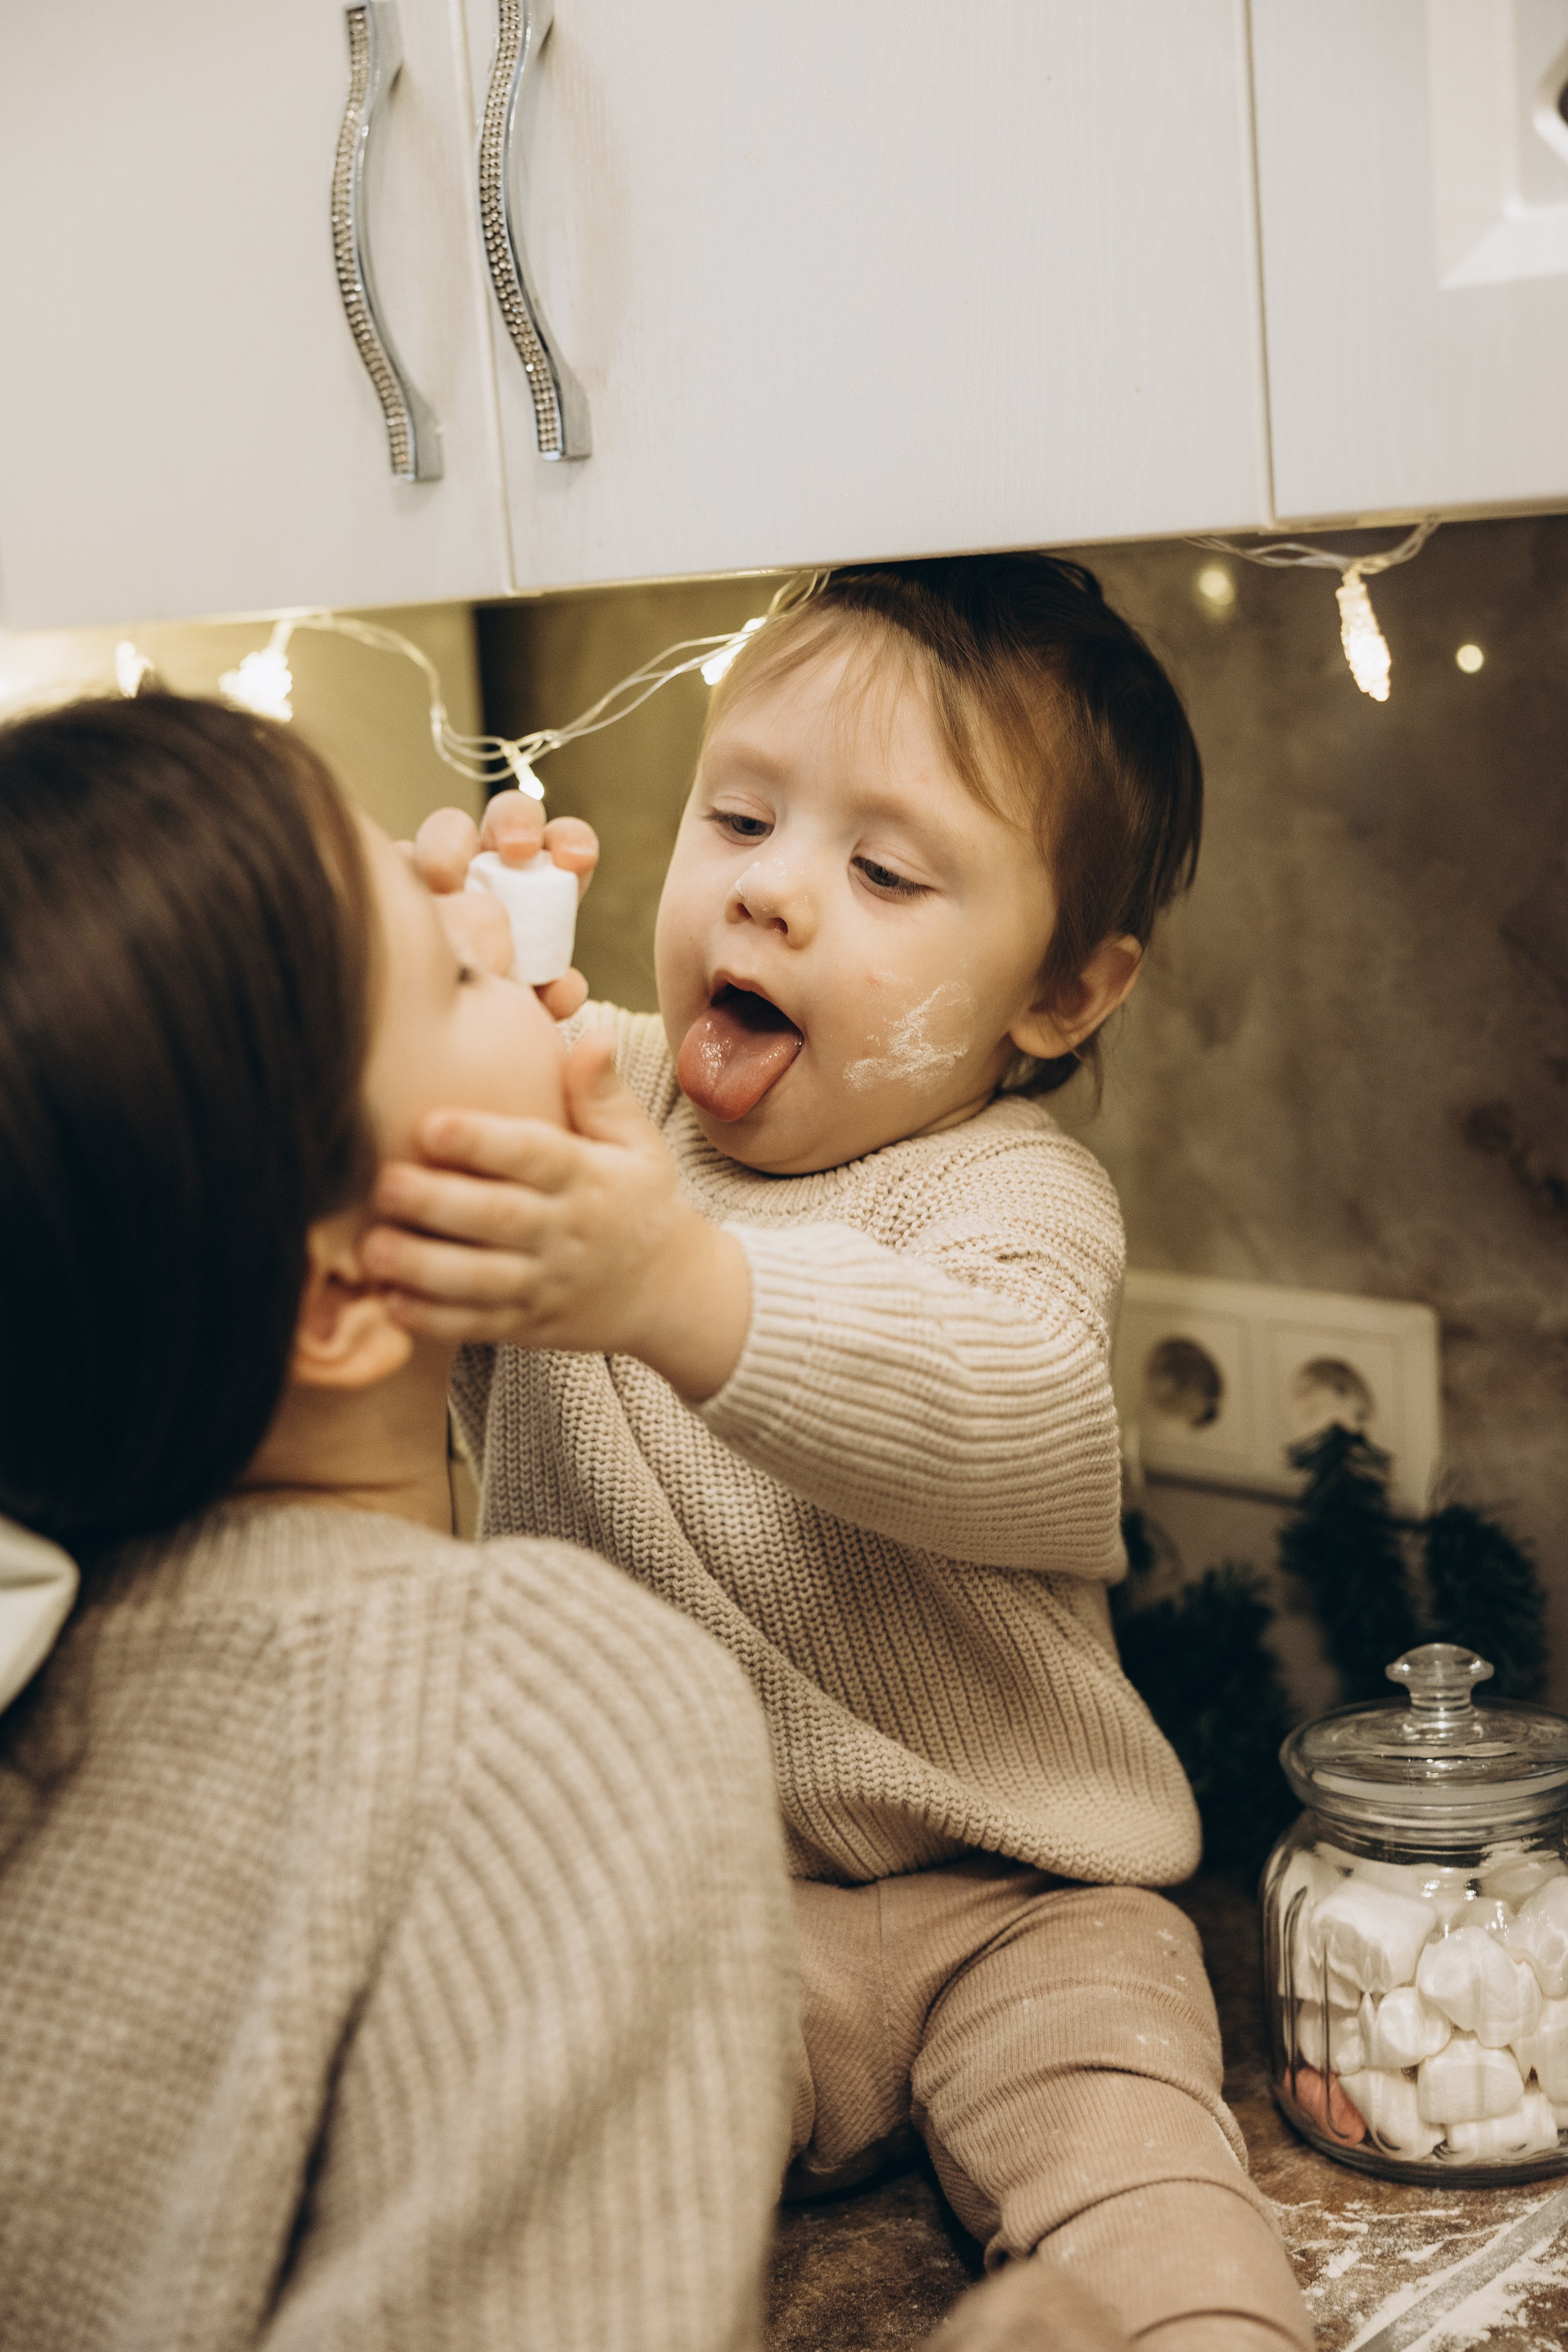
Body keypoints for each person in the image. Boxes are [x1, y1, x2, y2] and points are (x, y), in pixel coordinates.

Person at [379, 557, 1313, 2352]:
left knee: (1144, 2175)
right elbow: (371, 1180)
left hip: (1029, 1907)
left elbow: (1016, 1408)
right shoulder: (581, 1101)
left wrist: (674, 1279)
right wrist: (425, 986)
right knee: (566, 2169)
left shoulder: (1012, 1196)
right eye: (739, 817)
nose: (773, 892)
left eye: (886, 870)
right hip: (699, 1910)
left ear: (1060, 992)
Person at [0, 695, 797, 2352]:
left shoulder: (49, 1633)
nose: (480, 906)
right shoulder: (555, 1721)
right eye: (445, 972)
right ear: (353, 1288)